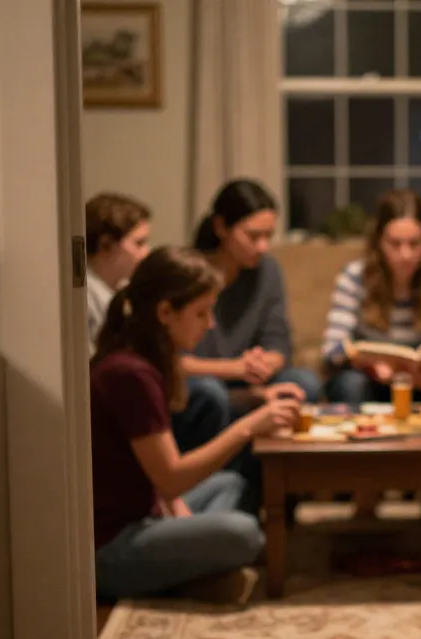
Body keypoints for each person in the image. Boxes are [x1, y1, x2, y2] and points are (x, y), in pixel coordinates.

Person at [90, 245, 301, 606]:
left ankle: (194, 572)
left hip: (148, 512)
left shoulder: (144, 359)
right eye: (202, 313)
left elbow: (160, 480)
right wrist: (247, 428)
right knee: (245, 532)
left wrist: (255, 399)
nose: (211, 324)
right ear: (165, 312)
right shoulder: (130, 374)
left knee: (231, 482)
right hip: (111, 546)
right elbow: (171, 477)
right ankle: (193, 576)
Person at [176, 178, 321, 455]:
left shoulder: (268, 272)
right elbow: (173, 362)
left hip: (251, 381)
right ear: (221, 227)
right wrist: (236, 368)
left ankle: (276, 476)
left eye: (269, 236)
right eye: (253, 236)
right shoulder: (187, 273)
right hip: (203, 383)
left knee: (305, 384)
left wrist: (264, 363)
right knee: (210, 392)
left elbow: (279, 342)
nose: (263, 246)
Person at [321, 189, 421, 405]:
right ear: (379, 242)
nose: (405, 255)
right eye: (395, 244)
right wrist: (371, 366)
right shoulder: (355, 277)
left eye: (414, 244)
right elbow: (331, 350)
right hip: (370, 379)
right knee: (350, 384)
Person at [84, 192, 151, 356]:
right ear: (106, 244)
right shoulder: (82, 298)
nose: (147, 251)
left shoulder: (125, 289)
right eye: (139, 243)